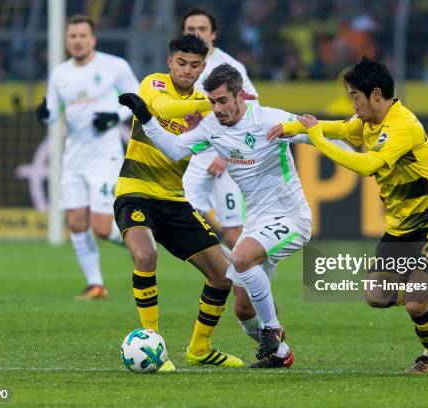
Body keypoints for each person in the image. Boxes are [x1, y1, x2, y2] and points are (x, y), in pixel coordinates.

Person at [118, 63, 344, 368]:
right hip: (257, 223)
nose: (217, 109)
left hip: (292, 218)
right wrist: (146, 117)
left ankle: (272, 329)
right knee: (242, 307)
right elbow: (173, 149)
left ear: (240, 96)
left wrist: (360, 149)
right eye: (211, 102)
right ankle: (279, 354)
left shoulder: (269, 119)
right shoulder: (211, 128)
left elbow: (321, 136)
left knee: (239, 257)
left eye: (223, 101)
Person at [268, 58, 428, 374]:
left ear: (376, 94)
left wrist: (318, 141)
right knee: (376, 295)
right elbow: (337, 128)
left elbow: (367, 166)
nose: (353, 103)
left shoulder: (402, 125)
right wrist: (289, 128)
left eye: (355, 96)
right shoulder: (368, 121)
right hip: (401, 228)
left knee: (417, 301)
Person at [113, 35, 243, 371]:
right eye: (181, 63)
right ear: (170, 61)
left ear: (203, 68)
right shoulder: (155, 84)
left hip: (174, 199)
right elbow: (162, 109)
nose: (186, 71)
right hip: (135, 189)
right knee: (145, 254)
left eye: (194, 65)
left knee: (223, 275)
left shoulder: (205, 105)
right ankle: (151, 340)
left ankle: (200, 349)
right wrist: (208, 105)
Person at [35, 15, 139, 300]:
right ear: (66, 41)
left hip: (104, 155)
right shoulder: (60, 73)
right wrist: (45, 114)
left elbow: (139, 96)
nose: (77, 41)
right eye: (72, 36)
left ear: (92, 39)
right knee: (77, 223)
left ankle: (141, 245)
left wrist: (114, 116)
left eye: (82, 35)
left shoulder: (114, 66)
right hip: (74, 157)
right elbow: (53, 109)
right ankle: (96, 285)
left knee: (102, 228)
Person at [180, 6, 264, 347]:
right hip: (196, 154)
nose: (196, 32)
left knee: (233, 231)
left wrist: (222, 152)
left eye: (202, 27)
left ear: (214, 34)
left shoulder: (230, 67)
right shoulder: (182, 67)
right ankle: (237, 270)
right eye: (190, 27)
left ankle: (247, 277)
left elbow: (252, 106)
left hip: (226, 157)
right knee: (181, 209)